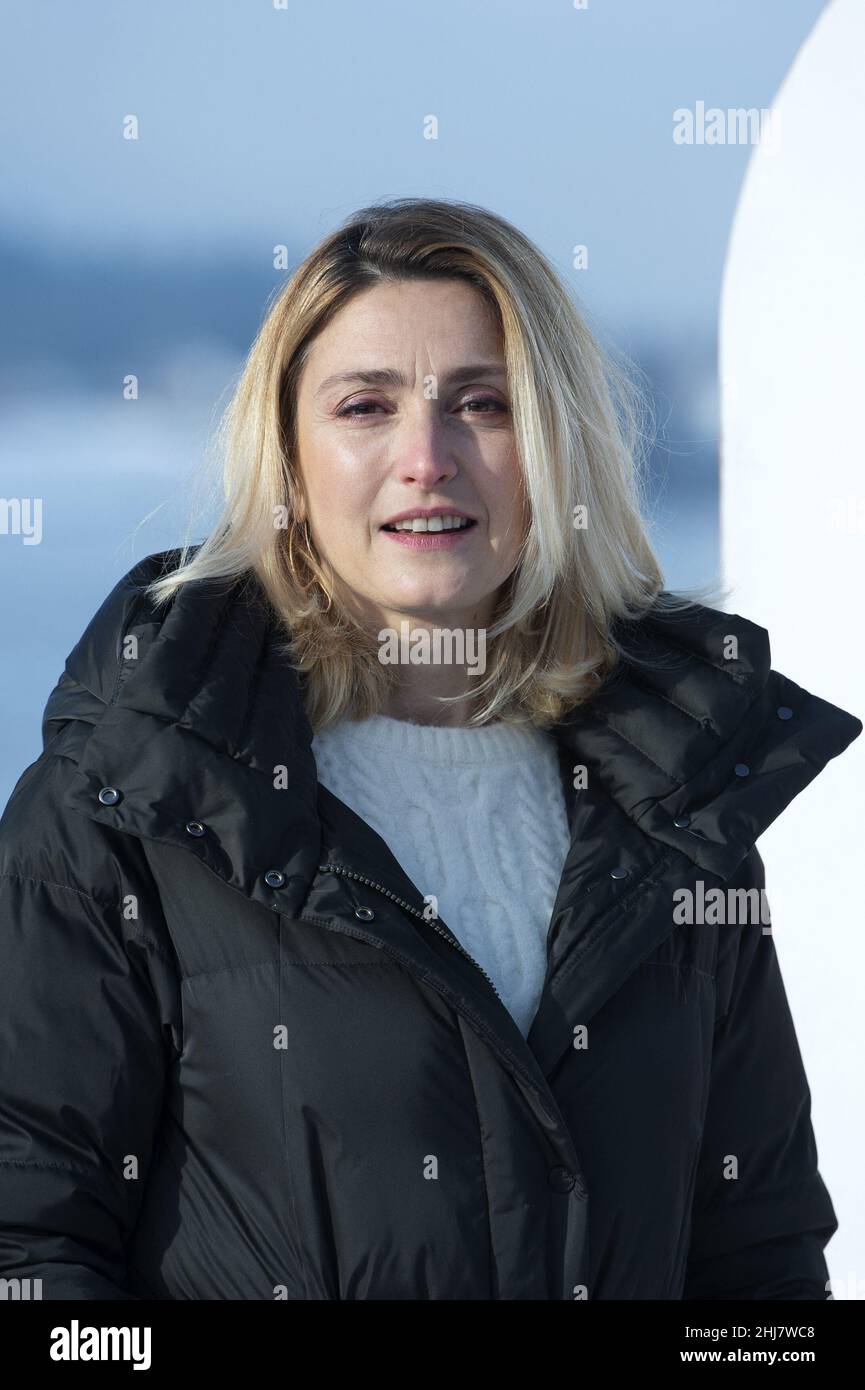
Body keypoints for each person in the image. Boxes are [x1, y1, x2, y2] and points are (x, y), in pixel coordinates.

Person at [0, 197, 859, 1301]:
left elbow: (759, 1258)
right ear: (292, 466)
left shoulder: (677, 802)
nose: (427, 456)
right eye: (365, 406)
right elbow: (28, 1246)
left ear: (553, 449)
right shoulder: (130, 797)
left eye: (483, 404)